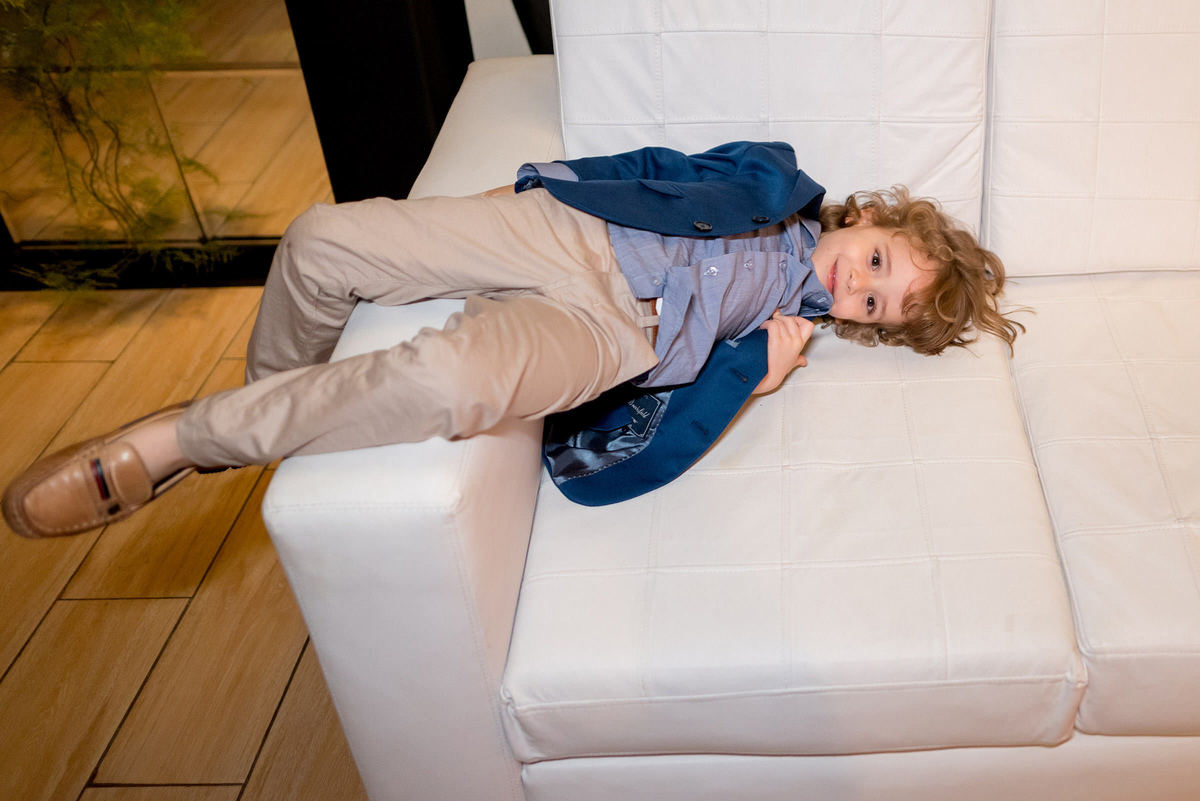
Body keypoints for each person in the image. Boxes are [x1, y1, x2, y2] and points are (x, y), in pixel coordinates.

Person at [2, 141, 1022, 538]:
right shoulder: (774, 175)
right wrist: (543, 182)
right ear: (866, 217)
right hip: (563, 228)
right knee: (319, 241)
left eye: (877, 306)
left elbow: (623, 469)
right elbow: (657, 163)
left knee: (452, 379)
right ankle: (268, 417)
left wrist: (750, 383)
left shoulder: (774, 341)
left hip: (608, 330)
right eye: (878, 260)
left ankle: (186, 439)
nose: (861, 286)